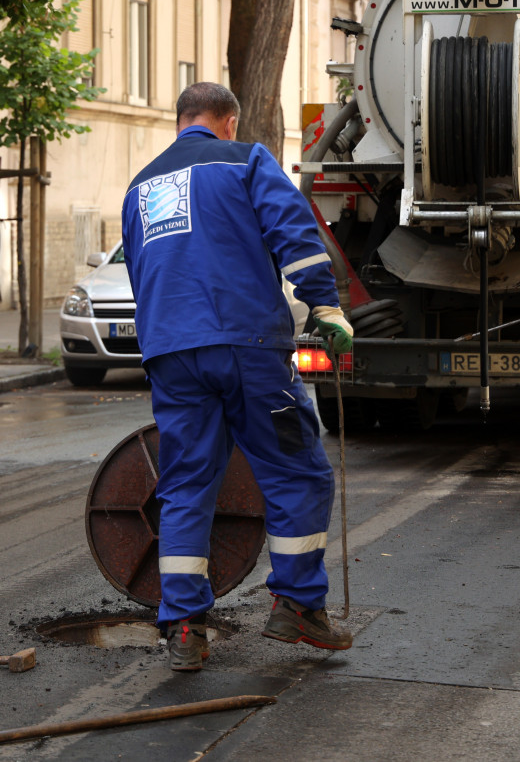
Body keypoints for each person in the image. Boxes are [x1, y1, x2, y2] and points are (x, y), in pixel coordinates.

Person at [121, 82, 356, 672]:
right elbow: (294, 234)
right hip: (246, 349)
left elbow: (144, 269)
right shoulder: (245, 159)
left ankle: (182, 628)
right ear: (228, 121)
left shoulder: (140, 186)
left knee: (186, 484)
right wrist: (324, 305)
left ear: (181, 122)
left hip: (172, 356)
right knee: (297, 470)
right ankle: (298, 606)